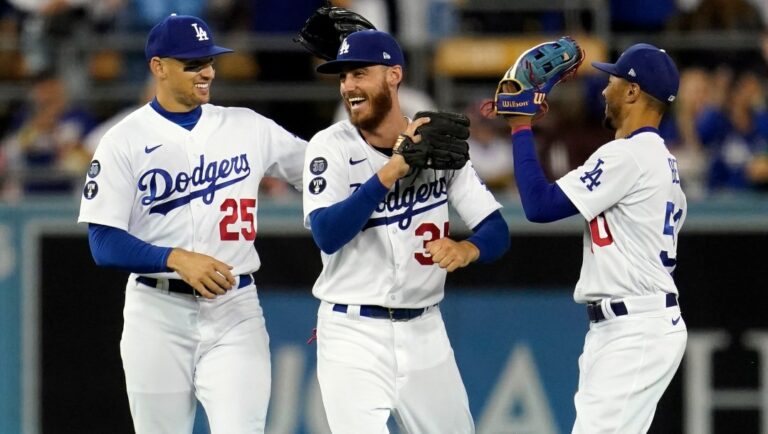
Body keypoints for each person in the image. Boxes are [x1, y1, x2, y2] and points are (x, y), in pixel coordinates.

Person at [77, 14, 307, 433]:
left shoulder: (247, 126)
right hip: (156, 312)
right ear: (158, 66)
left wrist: (391, 156)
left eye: (209, 61)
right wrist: (175, 258)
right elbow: (102, 242)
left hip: (234, 308)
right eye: (192, 63)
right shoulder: (123, 140)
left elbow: (322, 170)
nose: (207, 72)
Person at [302, 29, 510, 433]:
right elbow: (327, 233)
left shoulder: (437, 143)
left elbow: (496, 230)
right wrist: (389, 173)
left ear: (394, 75)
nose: (348, 86)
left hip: (425, 329)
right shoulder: (330, 146)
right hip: (352, 332)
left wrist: (469, 250)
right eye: (343, 77)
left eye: (359, 73)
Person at [501, 42, 688, 433]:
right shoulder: (656, 159)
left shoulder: (630, 155)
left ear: (633, 91)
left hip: (635, 327)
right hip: (630, 325)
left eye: (613, 81)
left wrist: (520, 127)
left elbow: (538, 206)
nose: (604, 90)